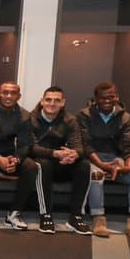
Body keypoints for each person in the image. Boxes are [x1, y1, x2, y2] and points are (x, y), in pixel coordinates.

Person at [78, 81, 130, 239]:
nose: (107, 100)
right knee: (96, 175)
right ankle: (98, 218)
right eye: (102, 98)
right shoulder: (84, 115)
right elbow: (86, 144)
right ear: (95, 99)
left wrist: (128, 166)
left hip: (116, 158)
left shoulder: (126, 117)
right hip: (93, 158)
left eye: (111, 96)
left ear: (117, 97)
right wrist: (102, 165)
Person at [0, 81, 39, 230]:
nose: (8, 96)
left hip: (10, 153)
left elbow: (25, 143)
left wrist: (16, 159)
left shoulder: (24, 115)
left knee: (31, 166)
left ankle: (14, 213)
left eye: (13, 93)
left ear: (19, 96)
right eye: (5, 92)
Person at [29, 86, 91, 235]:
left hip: (63, 161)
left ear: (63, 103)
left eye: (57, 100)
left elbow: (79, 146)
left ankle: (76, 216)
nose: (52, 103)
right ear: (42, 102)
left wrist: (74, 154)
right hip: (41, 160)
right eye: (48, 100)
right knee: (43, 165)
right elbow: (29, 147)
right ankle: (46, 215)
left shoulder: (70, 120)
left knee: (84, 165)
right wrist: (54, 153)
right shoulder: (30, 119)